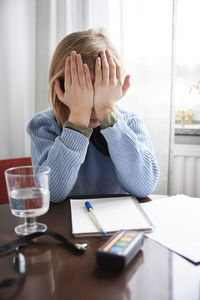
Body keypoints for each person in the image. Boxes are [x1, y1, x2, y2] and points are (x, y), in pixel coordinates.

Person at [27, 28, 160, 203]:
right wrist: (77, 120)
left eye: (101, 91)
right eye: (84, 92)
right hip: (66, 224)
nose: (93, 106)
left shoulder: (131, 123)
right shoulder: (44, 125)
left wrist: (107, 111)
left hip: (119, 225)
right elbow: (53, 193)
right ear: (60, 87)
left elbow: (143, 187)